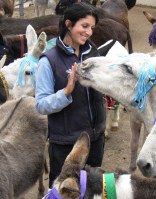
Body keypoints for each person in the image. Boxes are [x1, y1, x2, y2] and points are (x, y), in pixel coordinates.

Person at [35, 2, 106, 189]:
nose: (89, 32)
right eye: (84, 26)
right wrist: (66, 92)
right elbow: (41, 105)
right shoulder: (48, 60)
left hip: (95, 138)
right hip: (67, 143)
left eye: (91, 28)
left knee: (91, 189)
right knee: (63, 192)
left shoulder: (92, 53)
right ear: (68, 24)